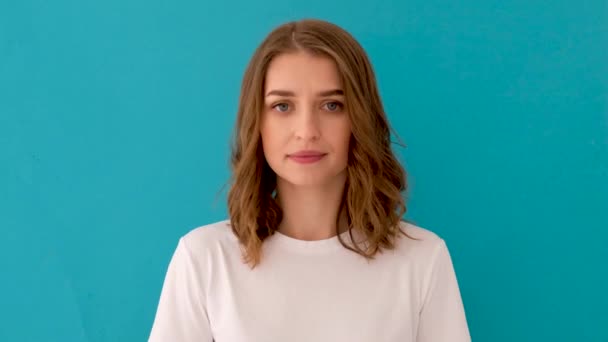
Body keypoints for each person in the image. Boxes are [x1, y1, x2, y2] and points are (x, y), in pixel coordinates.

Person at [148, 18, 470, 342]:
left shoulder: (422, 259)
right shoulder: (204, 259)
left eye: (332, 105)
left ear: (360, 119)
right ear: (257, 122)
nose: (307, 131)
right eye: (282, 106)